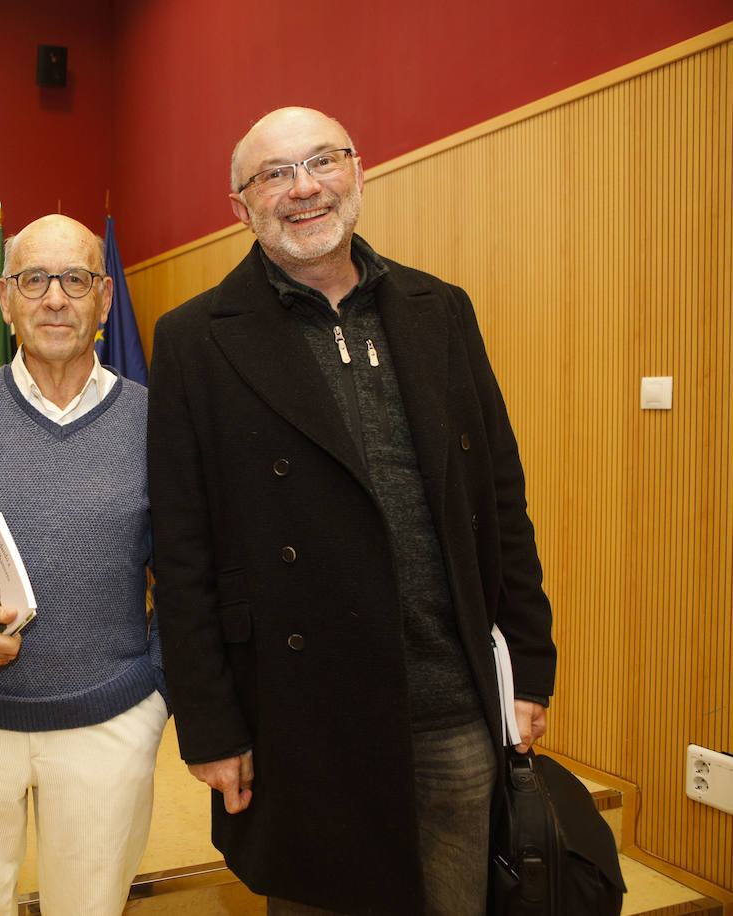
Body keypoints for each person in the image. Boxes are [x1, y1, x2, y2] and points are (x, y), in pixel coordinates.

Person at [147, 107, 556, 915]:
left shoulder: (442, 309)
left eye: (322, 162)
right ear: (241, 206)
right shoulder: (195, 339)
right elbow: (183, 548)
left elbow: (500, 500)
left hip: (453, 706)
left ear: (357, 172)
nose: (304, 188)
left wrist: (530, 665)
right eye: (273, 174)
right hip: (299, 716)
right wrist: (211, 725)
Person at [0, 214, 167, 915]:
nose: (55, 298)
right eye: (34, 280)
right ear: (6, 299)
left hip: (107, 722)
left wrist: (156, 690)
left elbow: (189, 565)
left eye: (75, 279)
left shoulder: (155, 420)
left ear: (104, 298)